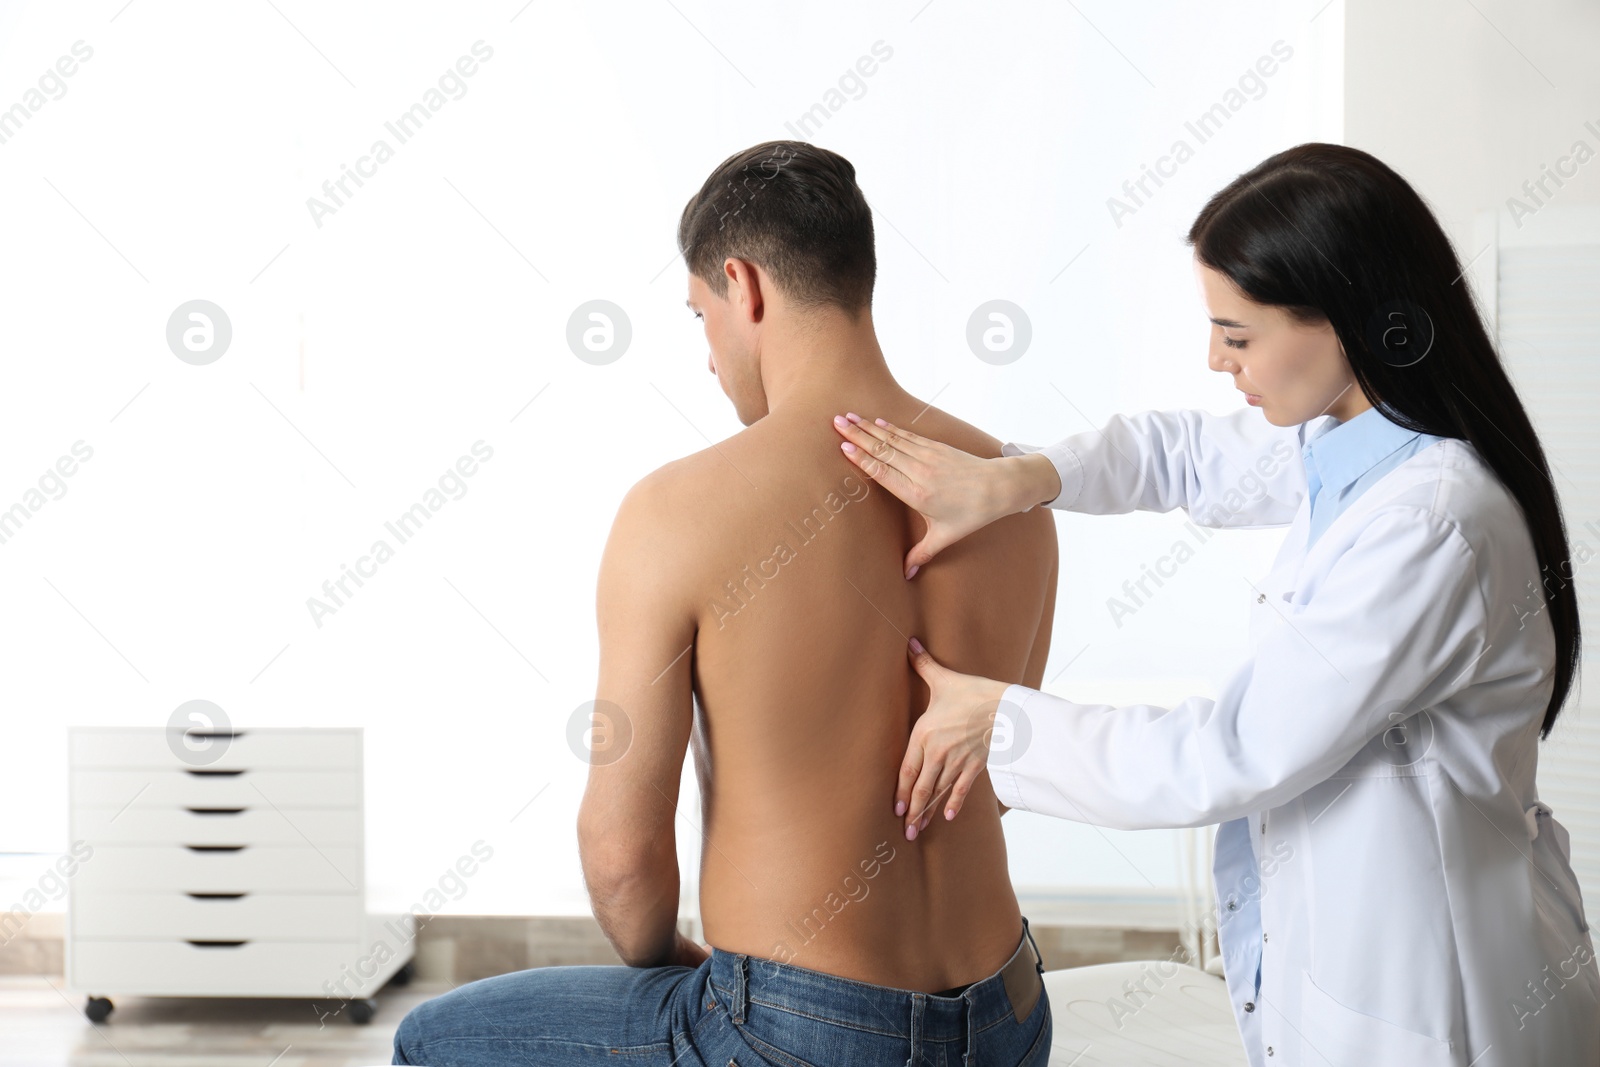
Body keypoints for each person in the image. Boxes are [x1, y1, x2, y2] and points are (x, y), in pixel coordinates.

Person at [831, 142, 1598, 1066]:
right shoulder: (1352, 439)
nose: (1213, 359)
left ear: (1351, 320)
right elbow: (1183, 455)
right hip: (1370, 958)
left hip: (1437, 997)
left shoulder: (1431, 525)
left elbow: (1231, 753)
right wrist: (1020, 479)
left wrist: (999, 723)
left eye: (1238, 337)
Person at [392, 140, 1057, 1066]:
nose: (707, 355)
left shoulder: (677, 510)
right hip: (1010, 1017)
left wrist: (675, 963)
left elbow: (622, 856)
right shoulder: (1009, 493)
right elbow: (1006, 776)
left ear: (744, 287)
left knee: (432, 1038)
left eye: (699, 315)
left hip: (799, 1029)